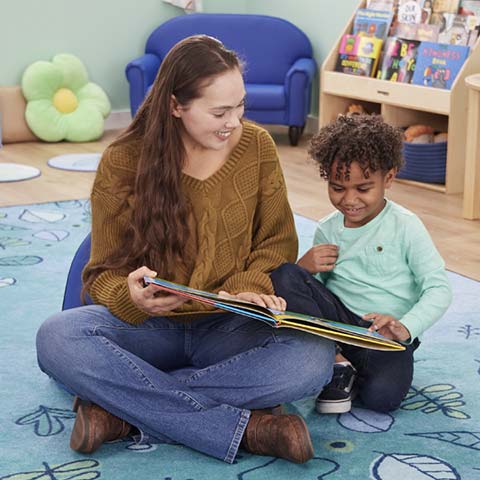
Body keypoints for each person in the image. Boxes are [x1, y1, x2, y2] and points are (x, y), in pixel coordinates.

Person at [35, 35, 334, 464]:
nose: (234, 121)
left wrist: (247, 288)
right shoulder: (123, 161)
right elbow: (100, 272)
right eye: (219, 111)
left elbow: (277, 241)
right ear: (176, 105)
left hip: (229, 323)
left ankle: (120, 412)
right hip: (148, 328)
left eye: (240, 107)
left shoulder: (257, 147)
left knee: (313, 357)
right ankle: (250, 428)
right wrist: (131, 296)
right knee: (58, 338)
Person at [271, 114, 452, 414]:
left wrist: (404, 327)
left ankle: (350, 373)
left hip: (384, 338)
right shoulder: (328, 228)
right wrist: (305, 268)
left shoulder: (406, 226)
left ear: (389, 178)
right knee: (285, 274)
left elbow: (438, 288)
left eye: (363, 188)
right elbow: (315, 297)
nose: (349, 200)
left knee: (383, 400)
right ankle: (337, 361)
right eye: (338, 187)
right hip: (339, 330)